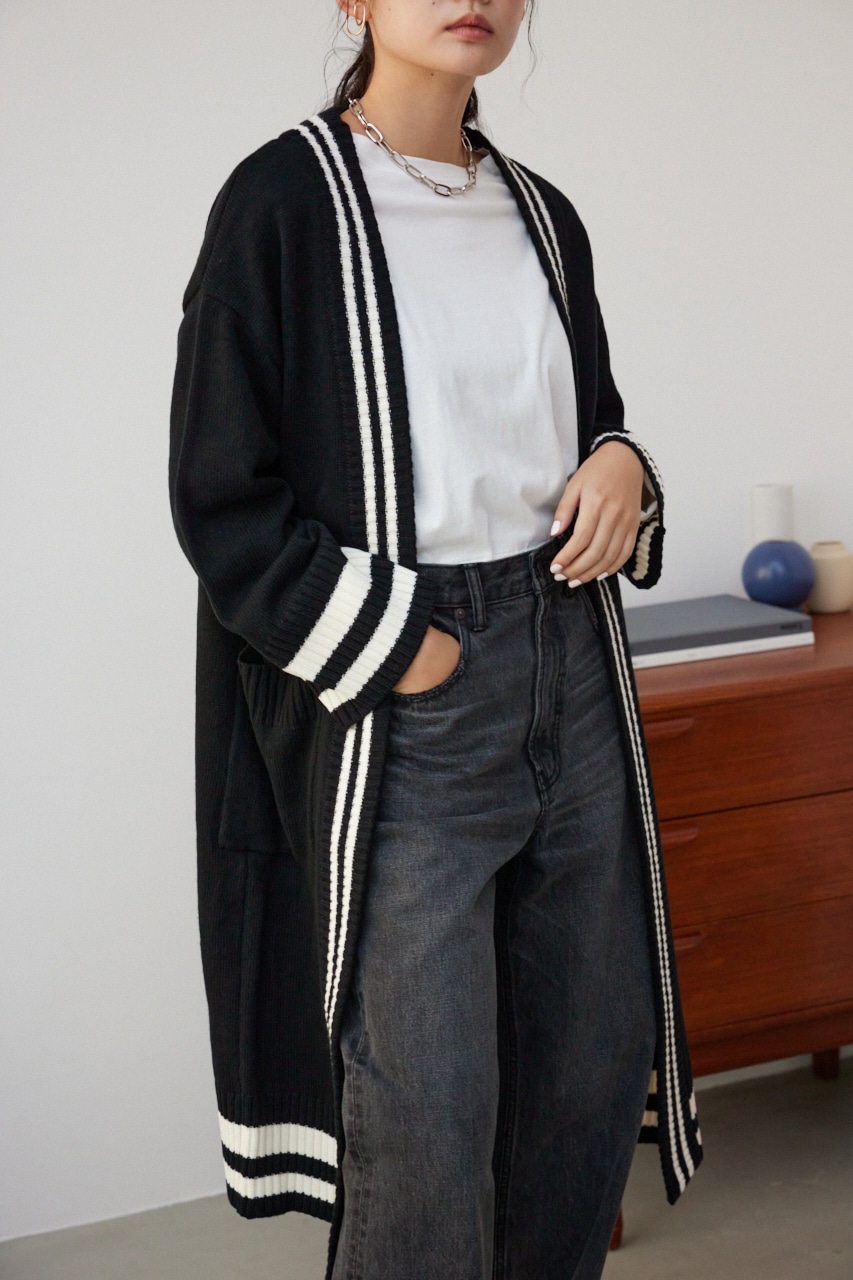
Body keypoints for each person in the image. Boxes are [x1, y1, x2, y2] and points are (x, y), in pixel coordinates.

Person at [168, 2, 703, 1277]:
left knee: (582, 1068)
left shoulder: (541, 214)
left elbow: (584, 421)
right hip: (407, 692)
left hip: (571, 663)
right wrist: (403, 649)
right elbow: (220, 494)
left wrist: (622, 461)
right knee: (424, 1109)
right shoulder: (282, 204)